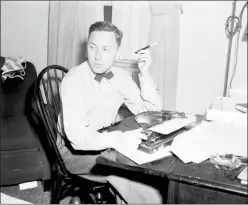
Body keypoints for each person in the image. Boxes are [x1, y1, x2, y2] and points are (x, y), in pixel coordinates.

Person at [57, 21, 162, 203]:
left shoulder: (121, 77)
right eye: (93, 47)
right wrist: (117, 140)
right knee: (128, 173)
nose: (97, 56)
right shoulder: (72, 81)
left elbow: (150, 113)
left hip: (106, 141)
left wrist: (144, 74)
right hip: (73, 151)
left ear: (117, 53)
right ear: (86, 48)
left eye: (106, 49)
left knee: (149, 165)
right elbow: (77, 138)